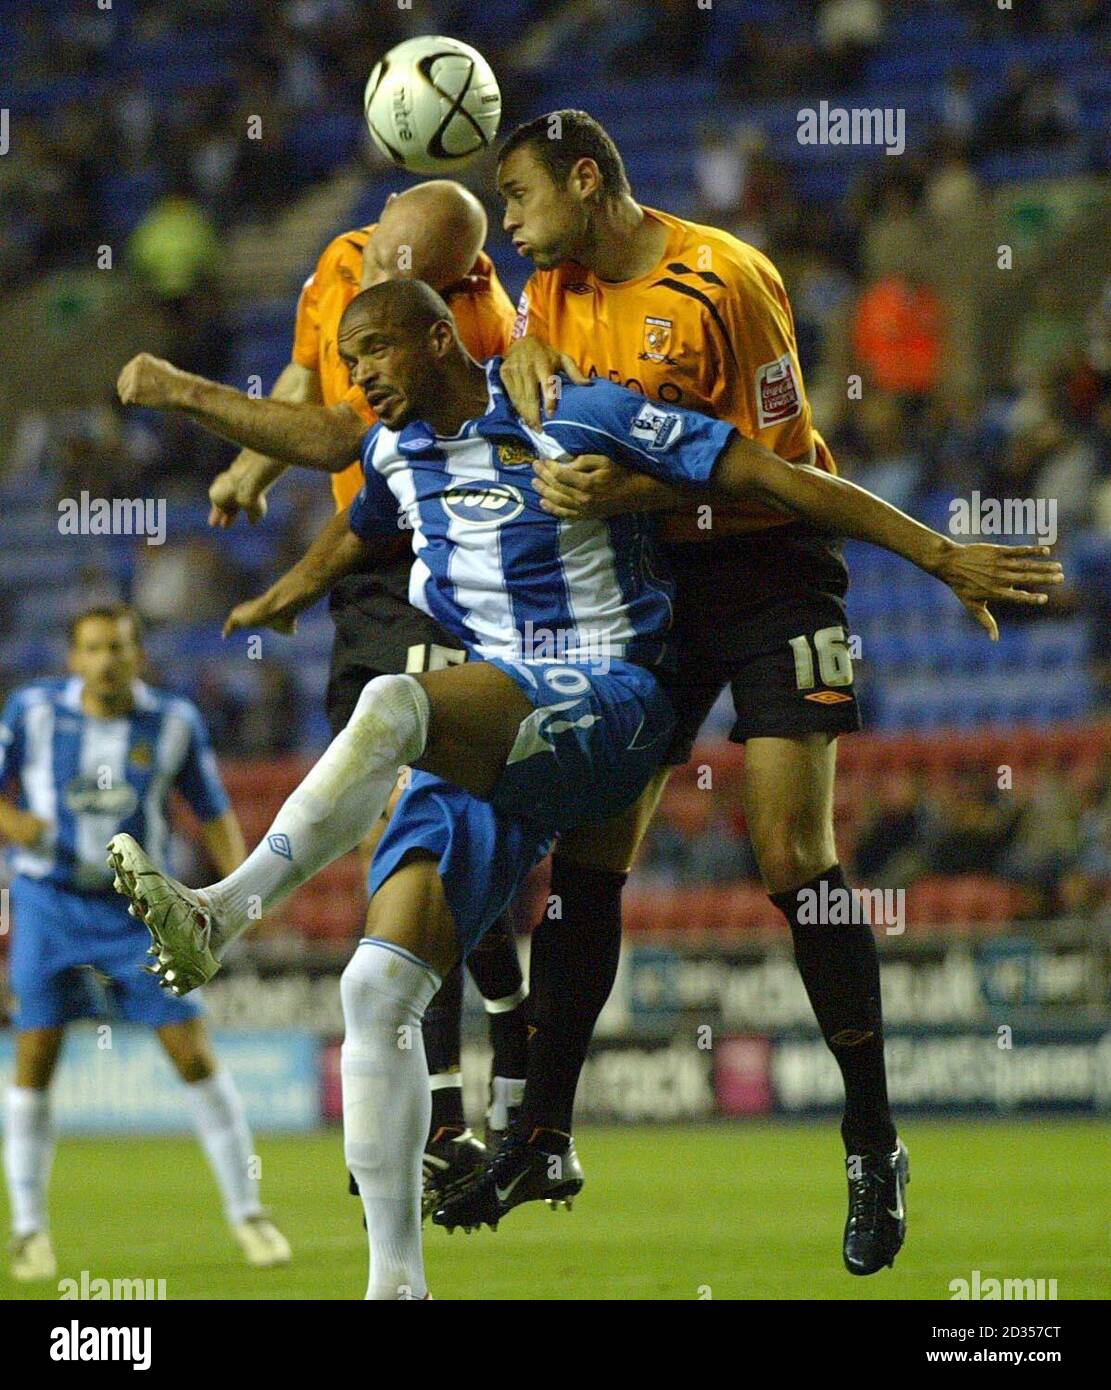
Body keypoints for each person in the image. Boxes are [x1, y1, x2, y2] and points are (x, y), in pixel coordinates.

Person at [109, 280, 1060, 1298]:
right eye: (352, 359)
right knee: (372, 988)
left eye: (379, 348)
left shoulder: (573, 408)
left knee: (393, 702)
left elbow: (770, 475)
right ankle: (397, 1287)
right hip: (486, 724)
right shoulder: (388, 454)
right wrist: (289, 590)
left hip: (612, 697)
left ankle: (222, 911)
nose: (364, 374)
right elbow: (357, 520)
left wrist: (938, 553)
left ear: (441, 337)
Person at [439, 110, 1015, 1273]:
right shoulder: (550, 287)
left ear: (586, 179)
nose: (509, 223)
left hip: (767, 572)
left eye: (518, 196)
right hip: (650, 591)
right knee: (590, 857)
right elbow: (504, 344)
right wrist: (518, 356)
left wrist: (942, 554)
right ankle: (546, 1132)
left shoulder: (725, 280)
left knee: (789, 855)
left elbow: (775, 475)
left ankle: (869, 1141)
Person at [207, 179, 532, 1204]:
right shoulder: (339, 285)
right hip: (366, 579)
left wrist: (182, 392)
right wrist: (258, 474)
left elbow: (365, 430)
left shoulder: (482, 314)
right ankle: (448, 1103)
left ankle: (480, 1090)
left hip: (439, 574)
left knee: (424, 820)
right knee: (389, 839)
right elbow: (315, 395)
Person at [0, 606, 290, 1281]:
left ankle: (249, 1215)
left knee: (192, 1054)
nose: (108, 660)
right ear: (73, 658)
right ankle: (29, 1229)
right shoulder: (31, 713)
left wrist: (247, 892)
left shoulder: (174, 723)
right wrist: (20, 825)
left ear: (139, 656)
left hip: (139, 914)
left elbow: (213, 813)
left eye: (121, 648)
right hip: (50, 903)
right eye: (95, 648)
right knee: (36, 1053)